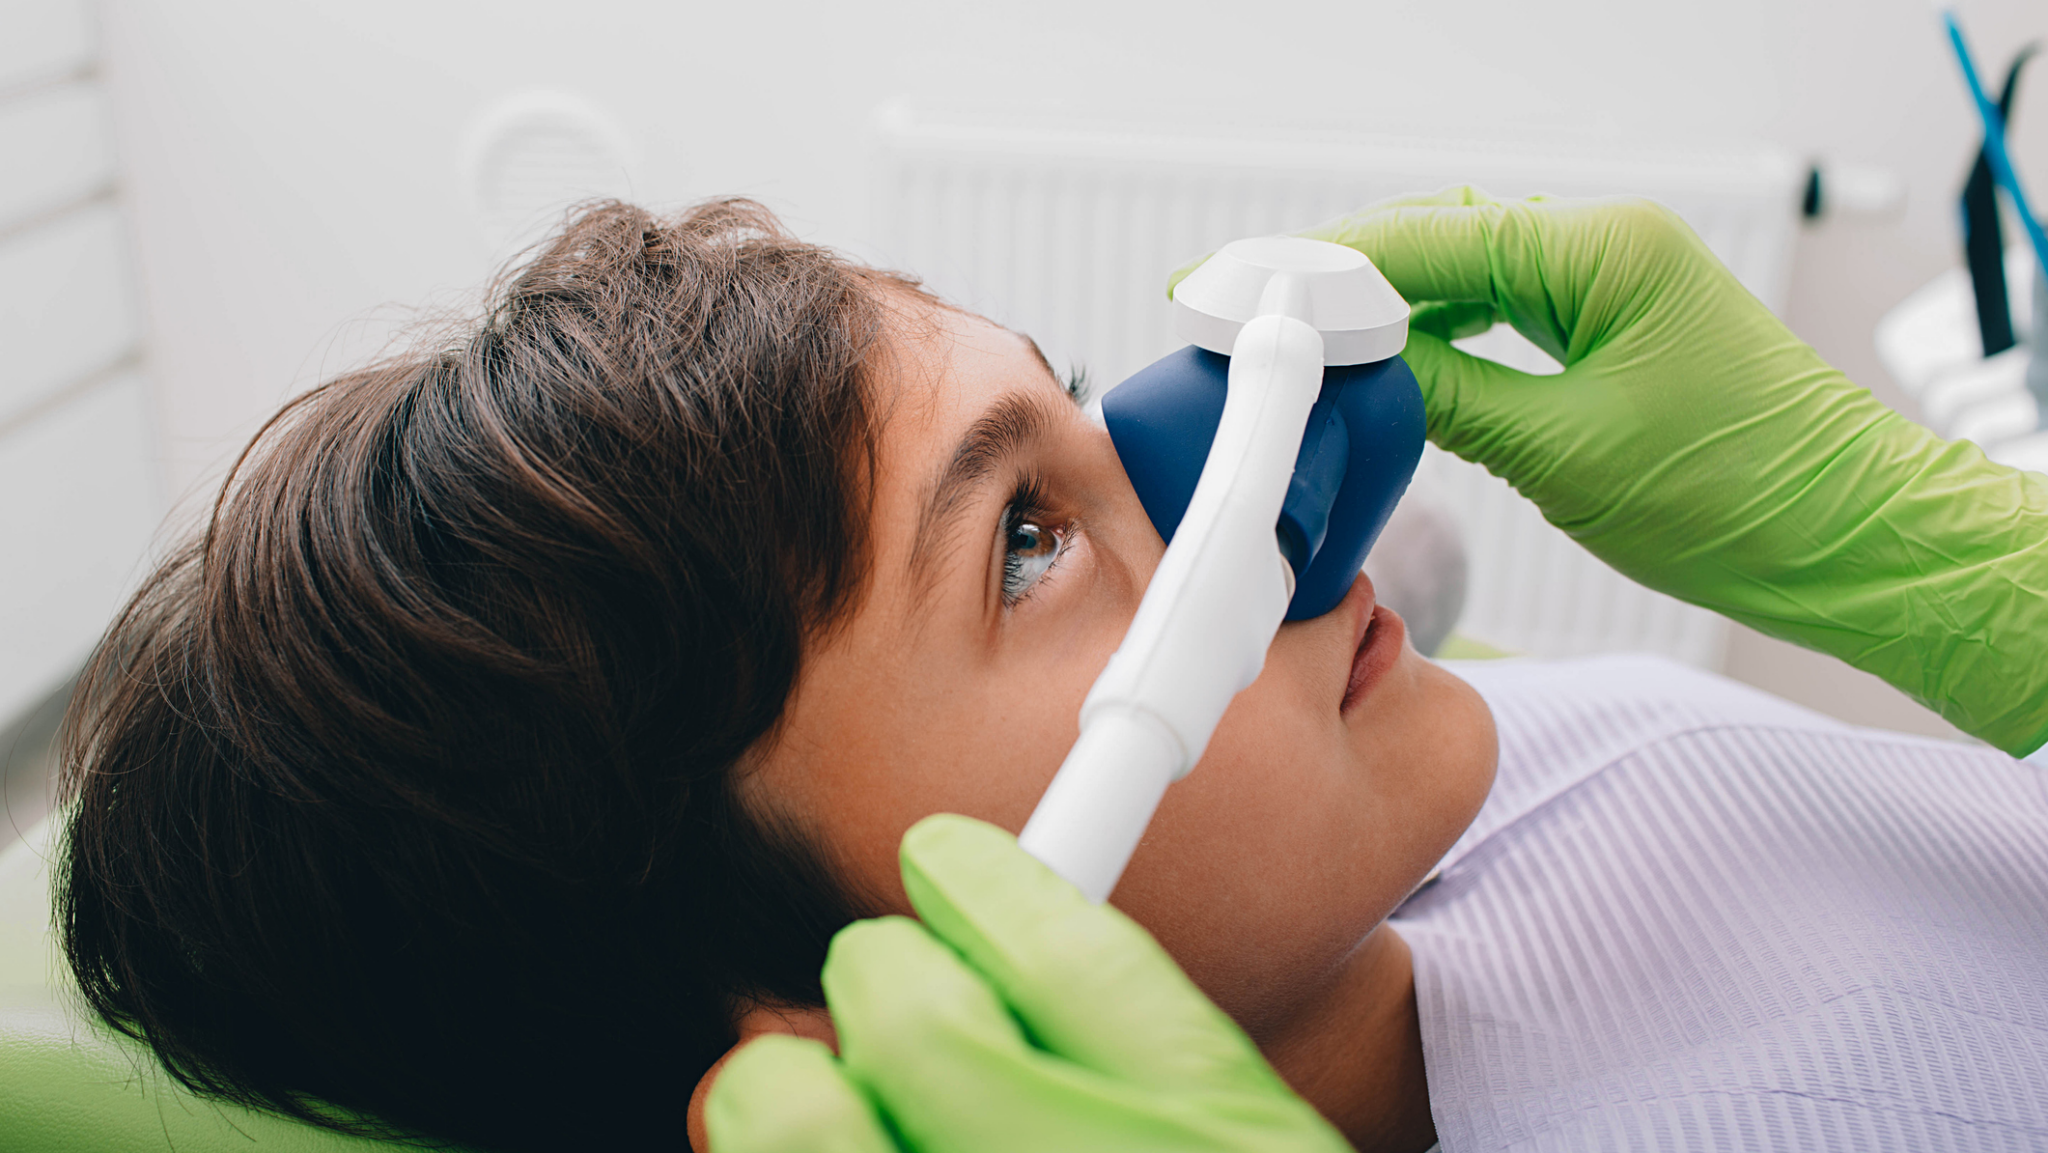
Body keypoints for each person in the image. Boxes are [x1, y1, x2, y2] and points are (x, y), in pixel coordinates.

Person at [52, 191, 2047, 1153]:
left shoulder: (1507, 777)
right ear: (832, 1024)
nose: (1251, 490)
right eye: (1023, 538)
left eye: (1079, 414)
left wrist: (1976, 585)